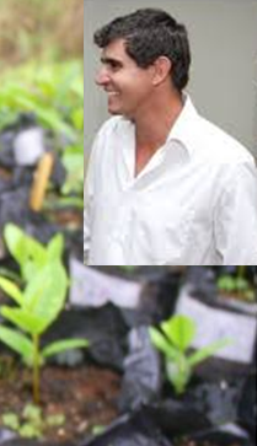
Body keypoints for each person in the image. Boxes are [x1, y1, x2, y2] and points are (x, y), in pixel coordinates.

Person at [84, 8, 257, 265]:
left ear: (158, 70)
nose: (101, 78)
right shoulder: (108, 138)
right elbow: (88, 236)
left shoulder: (228, 167)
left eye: (114, 65)